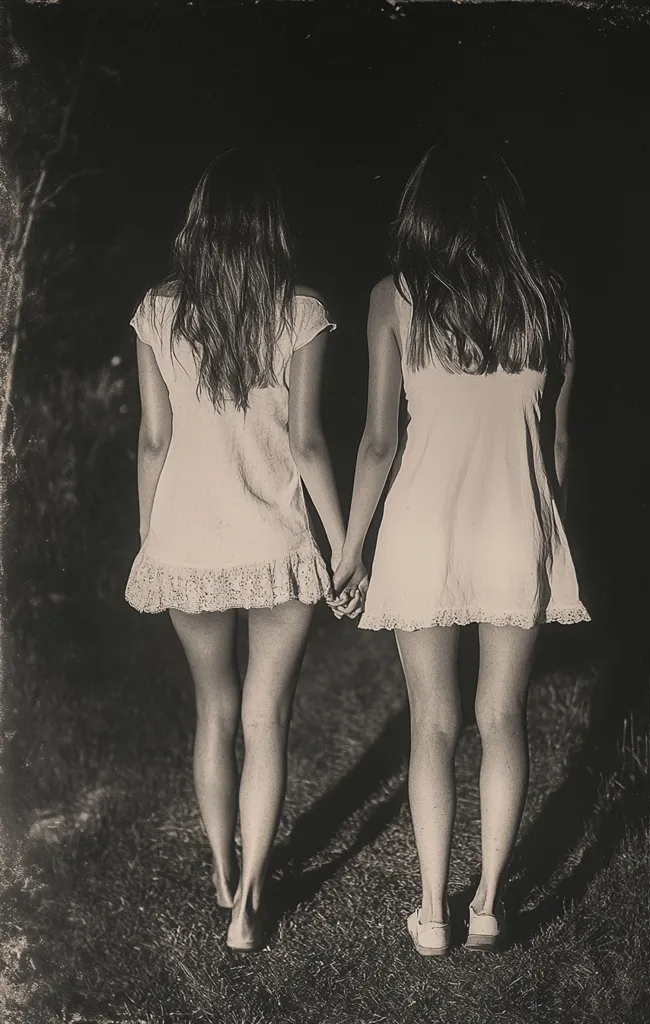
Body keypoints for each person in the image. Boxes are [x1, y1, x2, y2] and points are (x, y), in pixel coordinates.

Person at [331, 141, 590, 956]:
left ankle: (432, 913)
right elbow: (558, 453)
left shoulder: (394, 298)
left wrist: (349, 549)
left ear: (423, 215)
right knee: (502, 716)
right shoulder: (549, 303)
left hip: (422, 528)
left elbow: (377, 443)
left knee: (433, 723)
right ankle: (487, 906)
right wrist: (547, 529)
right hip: (517, 524)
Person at [125, 149, 346, 952]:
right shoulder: (302, 311)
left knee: (212, 714)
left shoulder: (158, 310)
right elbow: (310, 442)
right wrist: (344, 543)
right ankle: (253, 901)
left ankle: (222, 871)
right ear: (270, 228)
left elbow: (153, 439)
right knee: (267, 718)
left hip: (187, 540)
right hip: (277, 543)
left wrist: (153, 538)